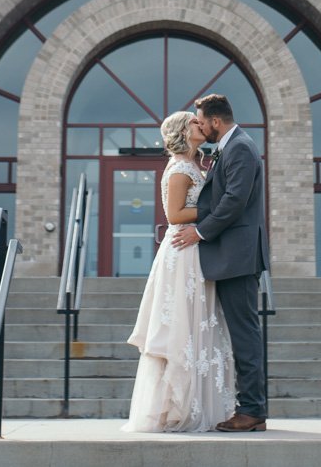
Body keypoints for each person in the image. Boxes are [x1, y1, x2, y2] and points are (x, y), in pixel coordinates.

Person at [121, 109, 236, 432]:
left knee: (197, 325)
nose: (201, 125)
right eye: (195, 123)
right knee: (181, 328)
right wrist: (215, 208)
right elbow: (174, 214)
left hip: (195, 249)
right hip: (183, 252)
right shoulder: (181, 168)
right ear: (184, 133)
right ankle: (174, 407)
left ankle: (195, 402)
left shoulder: (195, 164)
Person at [170, 93, 269, 432]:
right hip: (231, 255)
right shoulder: (229, 147)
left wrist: (200, 232)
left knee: (245, 334)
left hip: (238, 256)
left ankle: (252, 409)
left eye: (202, 121)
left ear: (216, 121)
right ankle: (250, 408)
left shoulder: (239, 147)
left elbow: (234, 201)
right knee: (241, 333)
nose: (201, 127)